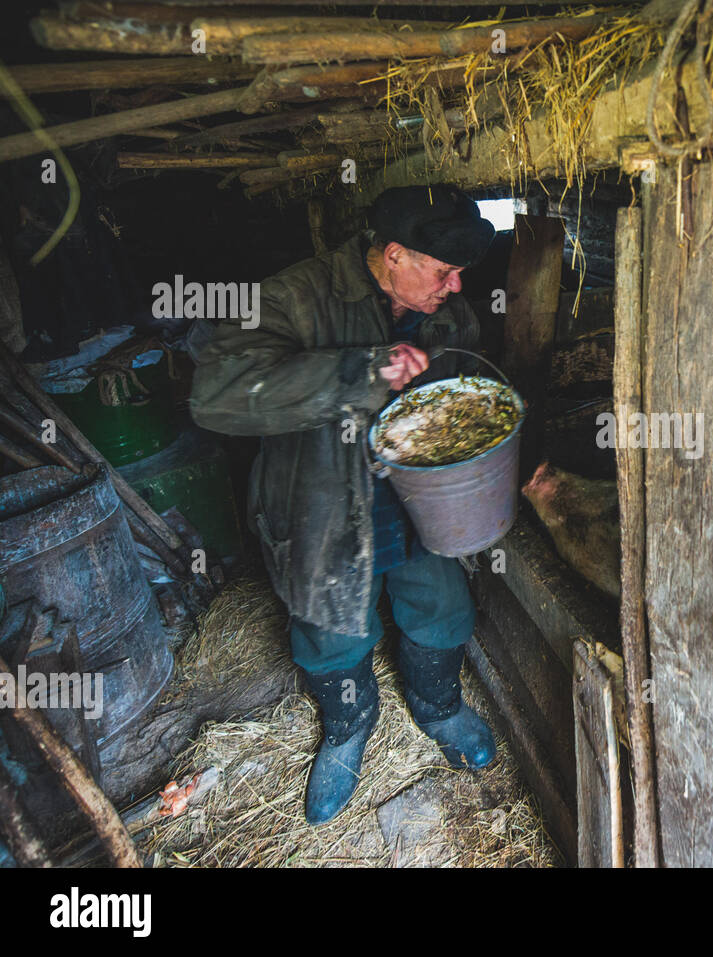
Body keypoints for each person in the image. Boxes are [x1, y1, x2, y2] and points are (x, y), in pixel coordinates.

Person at [190, 185, 498, 824]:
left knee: (439, 602)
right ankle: (348, 727)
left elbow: (466, 377)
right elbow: (217, 395)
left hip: (421, 498)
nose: (457, 286)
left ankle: (439, 706)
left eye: (461, 272)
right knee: (330, 627)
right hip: (321, 500)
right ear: (392, 255)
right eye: (444, 272)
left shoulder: (444, 312)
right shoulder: (292, 297)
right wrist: (363, 371)